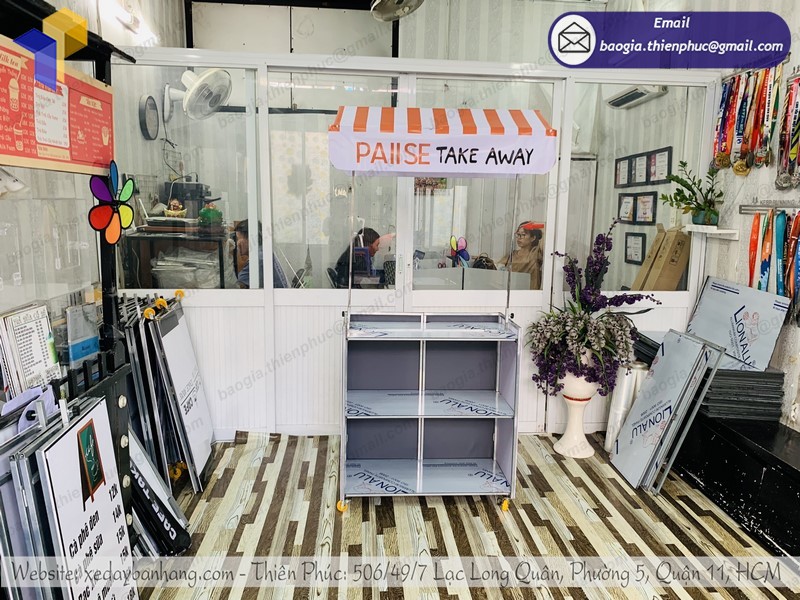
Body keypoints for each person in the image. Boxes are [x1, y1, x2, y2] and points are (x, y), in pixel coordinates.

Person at [234, 220, 288, 288]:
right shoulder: (264, 253)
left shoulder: (257, 260)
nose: (236, 243)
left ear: (250, 239)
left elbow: (238, 287)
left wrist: (236, 256)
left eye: (238, 239)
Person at [498, 221, 544, 290]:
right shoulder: (511, 255)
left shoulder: (534, 253)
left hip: (529, 292)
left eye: (523, 235)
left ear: (533, 238)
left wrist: (535, 226)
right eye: (518, 234)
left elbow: (545, 236)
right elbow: (498, 269)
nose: (519, 238)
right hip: (509, 291)